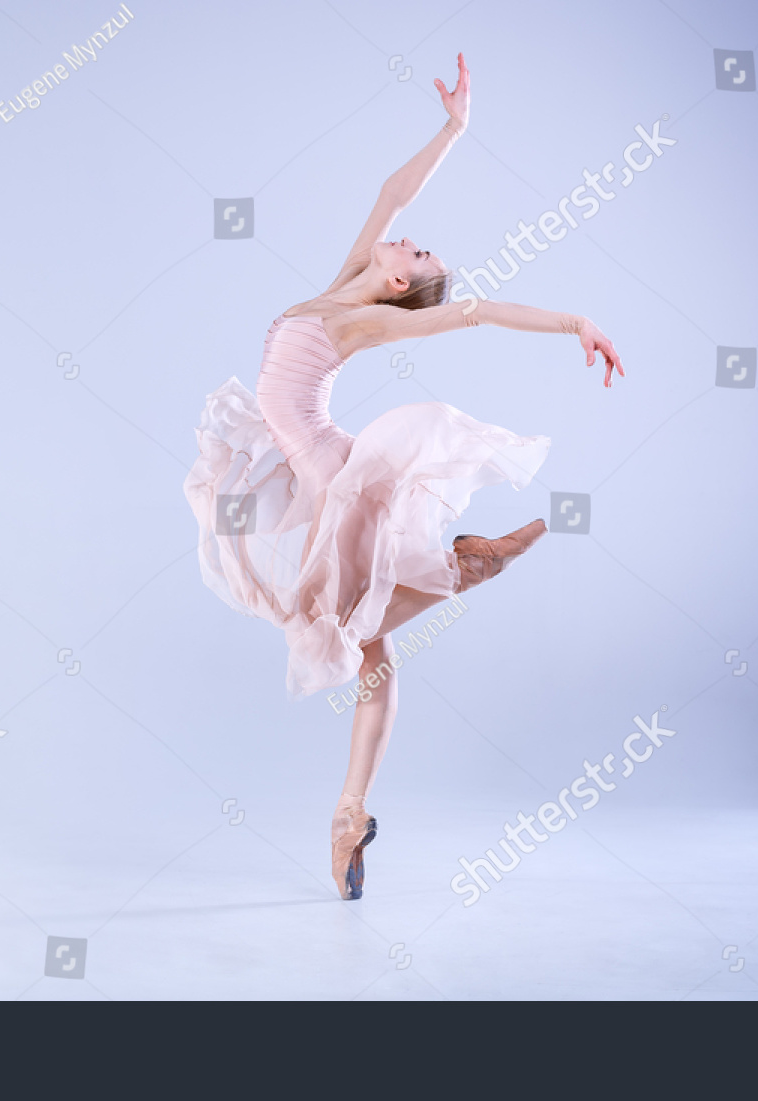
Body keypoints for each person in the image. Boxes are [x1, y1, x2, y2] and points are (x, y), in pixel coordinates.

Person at [183, 54, 623, 900]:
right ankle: (350, 817)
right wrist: (454, 129)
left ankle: (462, 562)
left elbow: (476, 311)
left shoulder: (367, 321)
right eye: (419, 248)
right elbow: (393, 194)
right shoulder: (344, 284)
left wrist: (574, 320)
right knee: (374, 663)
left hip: (333, 477)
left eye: (414, 255)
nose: (411, 242)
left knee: (351, 629)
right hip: (321, 468)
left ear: (395, 285)